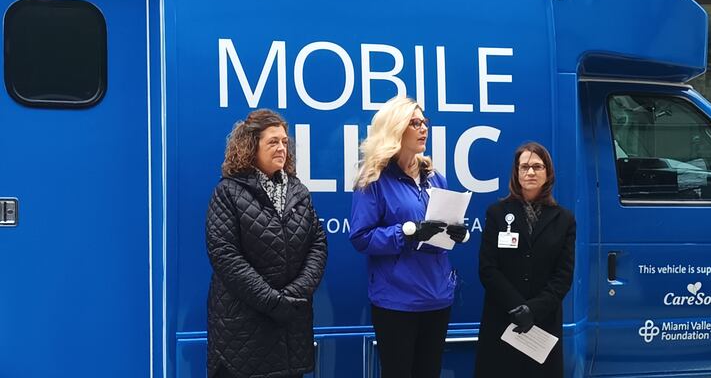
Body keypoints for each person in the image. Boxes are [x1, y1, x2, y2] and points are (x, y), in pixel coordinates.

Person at [349, 96, 470, 378]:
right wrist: (407, 231)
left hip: (437, 297)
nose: (424, 128)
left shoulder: (435, 177)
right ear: (396, 129)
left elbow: (442, 231)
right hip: (397, 301)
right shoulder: (374, 179)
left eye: (424, 122)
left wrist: (456, 233)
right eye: (414, 123)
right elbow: (361, 238)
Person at [205, 109, 328, 378]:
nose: (282, 147)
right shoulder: (227, 192)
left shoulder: (298, 191)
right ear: (251, 146)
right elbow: (225, 255)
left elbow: (317, 245)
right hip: (243, 334)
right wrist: (272, 301)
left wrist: (295, 293)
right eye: (273, 142)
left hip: (290, 329)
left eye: (284, 141)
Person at [474, 142, 576, 377]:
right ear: (516, 173)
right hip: (503, 319)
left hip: (542, 323)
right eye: (524, 167)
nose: (530, 172)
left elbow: (563, 275)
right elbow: (488, 269)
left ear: (548, 173)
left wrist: (533, 310)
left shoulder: (564, 219)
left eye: (537, 167)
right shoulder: (497, 213)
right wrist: (517, 307)